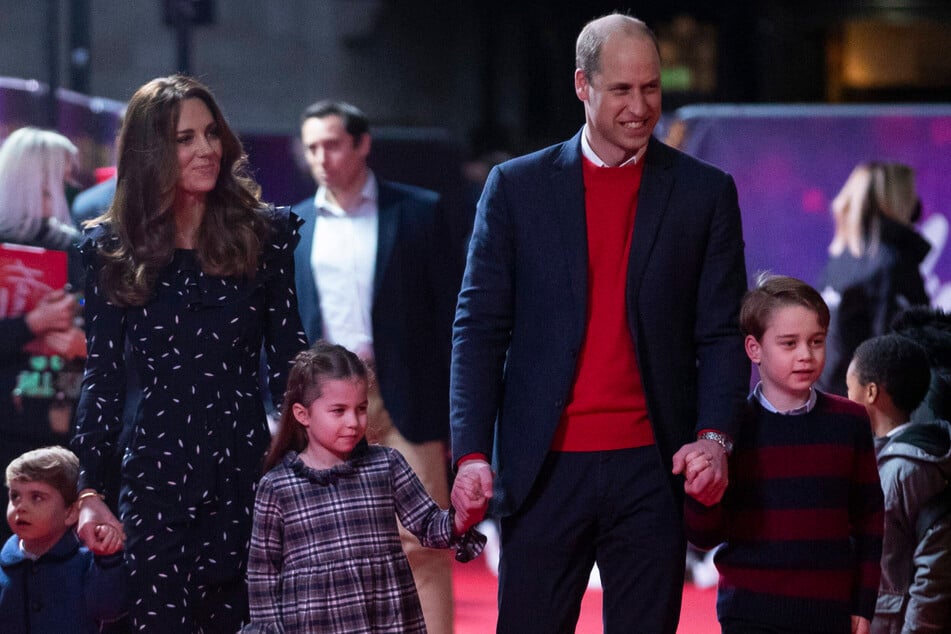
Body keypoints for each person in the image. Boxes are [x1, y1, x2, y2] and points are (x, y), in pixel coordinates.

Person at [449, 13, 750, 633]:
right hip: (544, 468)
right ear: (583, 85)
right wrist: (472, 451)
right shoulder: (516, 188)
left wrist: (716, 436)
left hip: (653, 468)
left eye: (651, 88)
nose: (641, 107)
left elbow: (721, 332)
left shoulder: (704, 193)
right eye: (622, 89)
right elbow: (479, 327)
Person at [71, 74, 308, 632]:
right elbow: (101, 380)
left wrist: (309, 463)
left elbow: (291, 365)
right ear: (151, 151)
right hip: (153, 475)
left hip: (245, 473)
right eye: (184, 138)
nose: (206, 149)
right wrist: (88, 490)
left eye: (211, 133)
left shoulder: (265, 236)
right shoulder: (111, 248)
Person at [291, 100, 461, 633]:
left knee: (423, 542)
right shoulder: (294, 224)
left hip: (405, 393)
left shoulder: (418, 211)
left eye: (334, 143)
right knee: (326, 549)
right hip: (325, 401)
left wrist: (457, 408)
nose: (322, 157)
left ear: (363, 144)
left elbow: (452, 310)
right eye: (313, 146)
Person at [685, 274, 884, 633]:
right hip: (749, 614)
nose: (806, 355)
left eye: (817, 341)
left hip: (830, 614)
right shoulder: (730, 430)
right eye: (789, 343)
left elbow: (869, 521)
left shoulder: (850, 421)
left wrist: (863, 604)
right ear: (753, 348)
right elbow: (704, 535)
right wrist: (701, 496)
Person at [242, 341, 485, 633]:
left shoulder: (387, 464)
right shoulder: (278, 487)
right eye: (338, 410)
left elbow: (429, 525)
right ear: (302, 414)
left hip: (387, 620)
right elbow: (263, 574)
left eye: (360, 408)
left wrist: (462, 516)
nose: (353, 422)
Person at [0, 127, 86, 544]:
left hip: (61, 424)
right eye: (60, 178)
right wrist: (31, 324)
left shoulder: (77, 248)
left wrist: (80, 343)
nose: (70, 187)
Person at [846, 333, 951, 633]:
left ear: (870, 393)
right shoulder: (890, 459)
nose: (844, 396)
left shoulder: (905, 471)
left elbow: (934, 572)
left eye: (848, 387)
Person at [819, 161, 930, 395]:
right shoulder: (892, 263)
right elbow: (895, 350)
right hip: (871, 407)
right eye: (911, 194)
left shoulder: (841, 258)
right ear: (900, 201)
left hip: (837, 395)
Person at [0, 446, 126, 633]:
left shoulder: (87, 560)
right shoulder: (6, 564)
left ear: (71, 512)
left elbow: (110, 609)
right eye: (15, 496)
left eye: (36, 497)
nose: (21, 507)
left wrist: (109, 559)